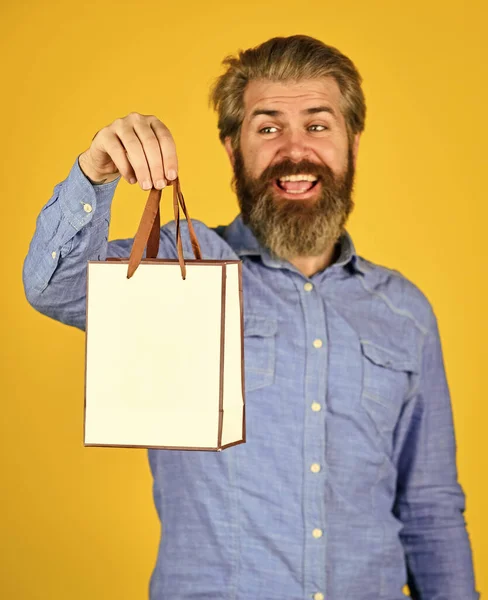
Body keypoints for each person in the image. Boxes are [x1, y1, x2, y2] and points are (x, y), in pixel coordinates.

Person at [23, 35, 479, 600]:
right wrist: (96, 173)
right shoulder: (179, 267)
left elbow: (429, 509)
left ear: (353, 143)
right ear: (232, 149)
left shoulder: (405, 312)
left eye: (318, 125)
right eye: (267, 128)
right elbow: (54, 286)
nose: (295, 150)